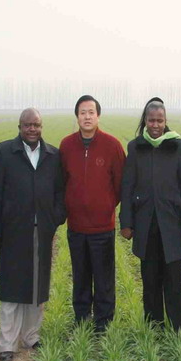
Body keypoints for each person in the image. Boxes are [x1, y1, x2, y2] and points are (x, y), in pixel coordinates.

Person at [0, 108, 66, 361]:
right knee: (11, 287)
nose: (32, 129)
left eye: (36, 125)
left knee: (37, 286)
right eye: (27, 125)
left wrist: (54, 219)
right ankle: (7, 343)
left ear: (42, 127)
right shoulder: (4, 152)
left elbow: (60, 192)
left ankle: (31, 336)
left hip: (41, 230)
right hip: (12, 230)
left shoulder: (52, 155)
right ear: (19, 127)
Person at [120, 98, 181, 332]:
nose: (155, 125)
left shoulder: (177, 146)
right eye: (151, 120)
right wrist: (126, 222)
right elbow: (127, 186)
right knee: (150, 278)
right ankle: (154, 327)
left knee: (174, 278)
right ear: (145, 121)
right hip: (146, 223)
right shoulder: (136, 147)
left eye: (159, 120)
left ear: (165, 121)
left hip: (172, 223)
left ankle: (178, 328)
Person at [60, 95, 125, 333]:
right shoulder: (67, 146)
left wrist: (105, 205)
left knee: (104, 277)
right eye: (82, 113)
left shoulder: (112, 145)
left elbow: (120, 185)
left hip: (102, 227)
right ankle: (81, 318)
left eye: (91, 112)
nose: (87, 117)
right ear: (77, 116)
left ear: (98, 115)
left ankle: (103, 322)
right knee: (80, 274)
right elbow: (62, 182)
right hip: (76, 226)